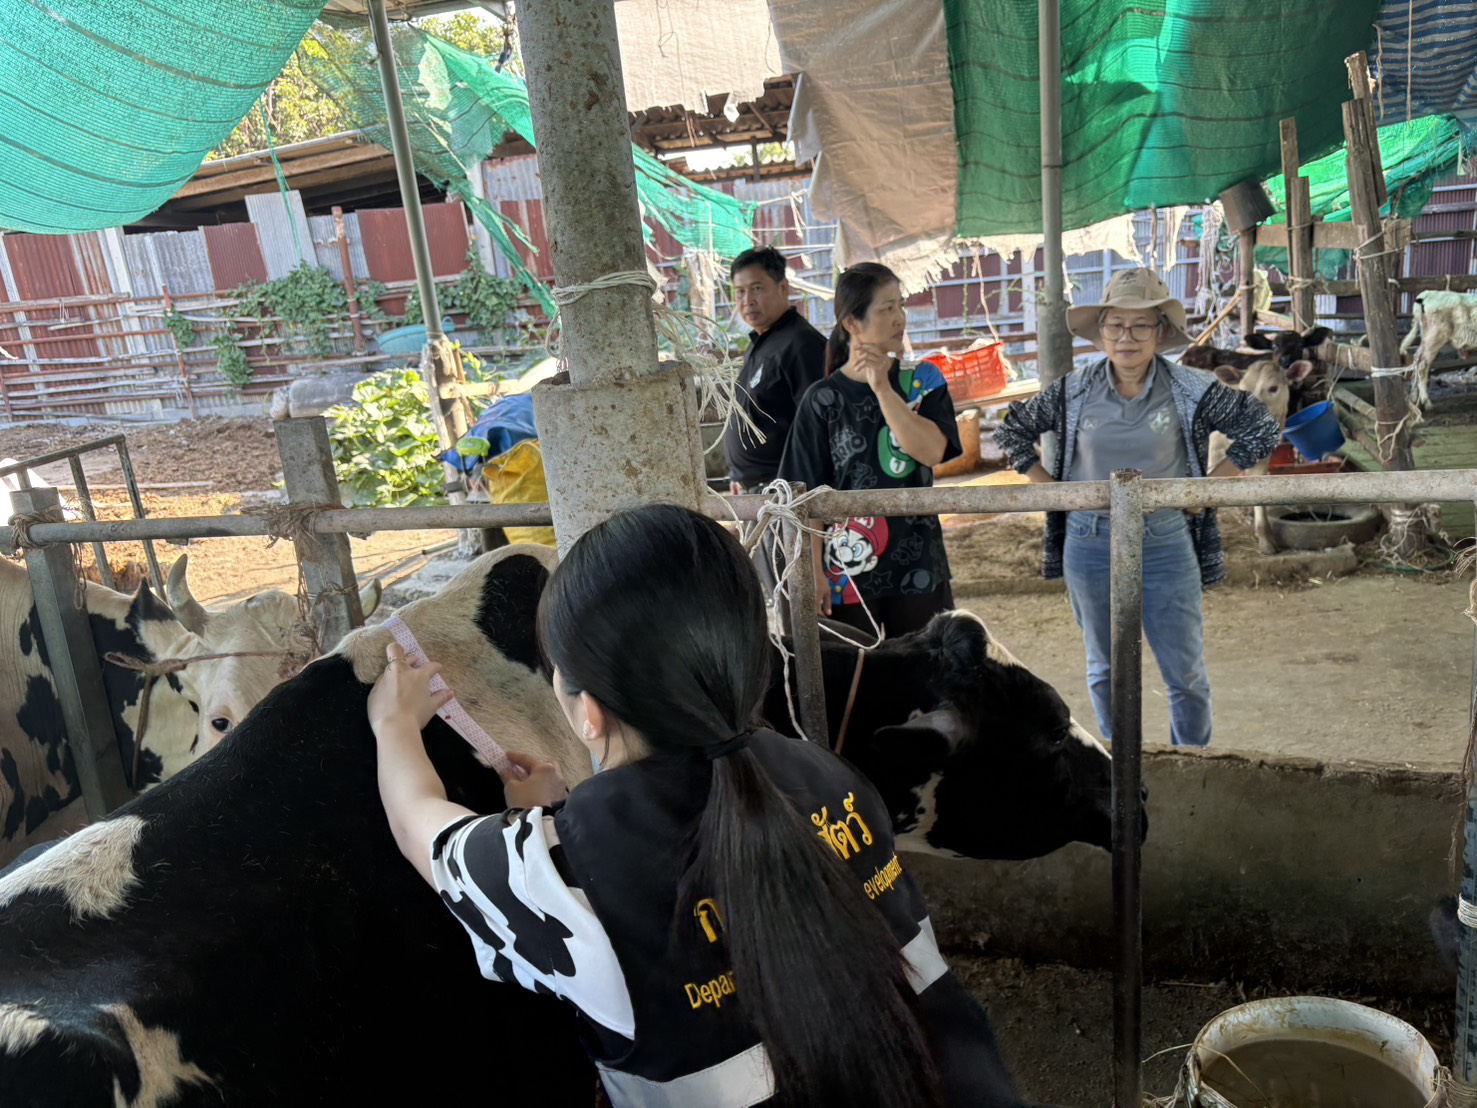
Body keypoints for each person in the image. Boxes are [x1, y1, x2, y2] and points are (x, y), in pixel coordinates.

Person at [368, 504, 1029, 1108]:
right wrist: (554, 818)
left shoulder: (561, 875)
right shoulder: (830, 778)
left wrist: (393, 725)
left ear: (586, 711)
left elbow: (419, 827)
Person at [995, 268, 1280, 747]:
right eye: (1115, 325)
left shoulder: (1189, 387)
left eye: (1140, 325)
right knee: (1104, 668)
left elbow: (1262, 428)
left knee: (1186, 673)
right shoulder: (1073, 390)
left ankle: (1190, 766)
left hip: (1165, 538)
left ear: (1160, 332)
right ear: (1101, 330)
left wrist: (1207, 488)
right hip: (1088, 540)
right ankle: (1120, 768)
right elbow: (1011, 431)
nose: (1126, 337)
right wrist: (1052, 491)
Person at [779, 262, 962, 640]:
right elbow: (805, 495)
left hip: (918, 565)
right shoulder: (822, 400)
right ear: (852, 323)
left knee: (928, 670)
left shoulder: (923, 380)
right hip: (845, 569)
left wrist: (882, 389)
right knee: (860, 673)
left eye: (900, 305)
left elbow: (931, 452)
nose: (900, 318)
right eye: (887, 308)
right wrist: (813, 572)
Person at [724, 245, 827, 499]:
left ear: (783, 288)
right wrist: (739, 475)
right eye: (740, 291)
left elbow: (818, 426)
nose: (747, 300)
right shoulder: (761, 342)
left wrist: (804, 494)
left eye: (757, 288)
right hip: (757, 491)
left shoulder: (801, 344)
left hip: (787, 492)